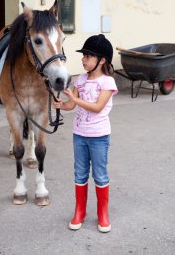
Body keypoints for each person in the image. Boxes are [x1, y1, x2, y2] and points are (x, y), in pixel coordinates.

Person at [53, 34, 118, 233]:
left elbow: (97, 107)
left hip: (99, 136)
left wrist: (74, 97)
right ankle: (80, 211)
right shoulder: (80, 80)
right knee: (80, 173)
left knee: (99, 174)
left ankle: (103, 214)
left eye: (88, 56)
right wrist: (62, 105)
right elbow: (72, 104)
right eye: (83, 56)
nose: (83, 60)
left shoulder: (107, 83)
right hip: (79, 135)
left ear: (102, 60)